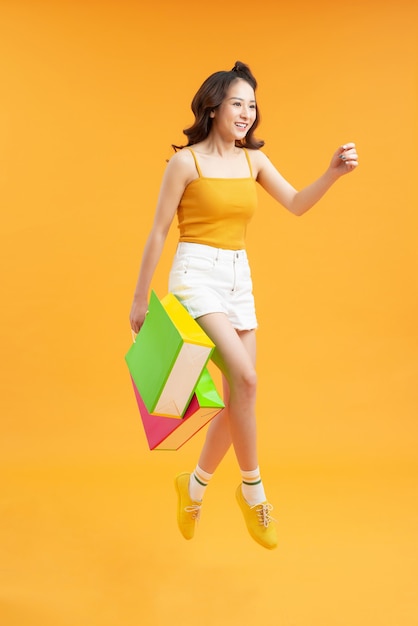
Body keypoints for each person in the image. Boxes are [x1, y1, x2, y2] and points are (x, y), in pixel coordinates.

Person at [129, 61, 358, 550]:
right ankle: (253, 493)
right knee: (248, 378)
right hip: (196, 276)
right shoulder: (185, 163)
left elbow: (295, 203)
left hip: (238, 278)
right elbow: (158, 232)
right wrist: (139, 299)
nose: (247, 114)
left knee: (240, 399)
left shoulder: (253, 160)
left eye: (252, 106)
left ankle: (192, 488)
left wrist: (332, 174)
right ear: (213, 106)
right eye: (237, 103)